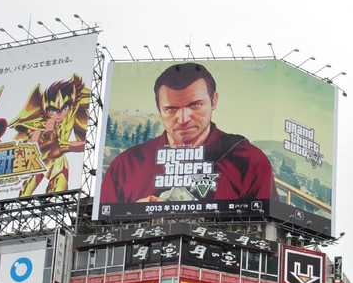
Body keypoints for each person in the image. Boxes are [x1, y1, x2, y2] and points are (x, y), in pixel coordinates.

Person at [99, 62, 273, 206]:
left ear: (214, 101)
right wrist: (136, 215)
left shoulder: (250, 161)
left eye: (194, 105)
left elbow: (268, 231)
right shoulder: (125, 166)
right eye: (171, 109)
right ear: (159, 109)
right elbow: (104, 232)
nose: (183, 119)